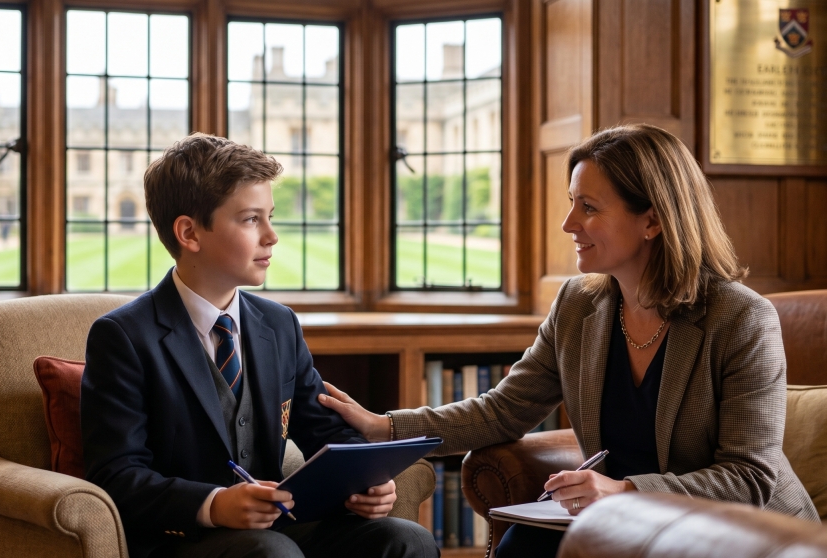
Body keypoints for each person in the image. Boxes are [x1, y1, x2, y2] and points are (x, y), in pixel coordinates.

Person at [319, 124, 818, 557]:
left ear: (654, 220)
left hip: (741, 533)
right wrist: (385, 428)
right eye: (571, 204)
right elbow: (502, 411)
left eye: (589, 207)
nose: (568, 224)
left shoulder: (741, 318)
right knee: (522, 546)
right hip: (622, 518)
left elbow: (748, 478)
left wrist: (623, 490)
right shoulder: (578, 305)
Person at [80, 133, 437, 558]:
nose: (272, 236)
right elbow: (116, 475)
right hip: (181, 541)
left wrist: (370, 479)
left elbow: (324, 431)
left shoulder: (278, 324)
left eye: (270, 216)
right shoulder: (122, 336)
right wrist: (213, 505)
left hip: (277, 530)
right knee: (271, 553)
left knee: (407, 539)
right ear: (189, 233)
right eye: (251, 219)